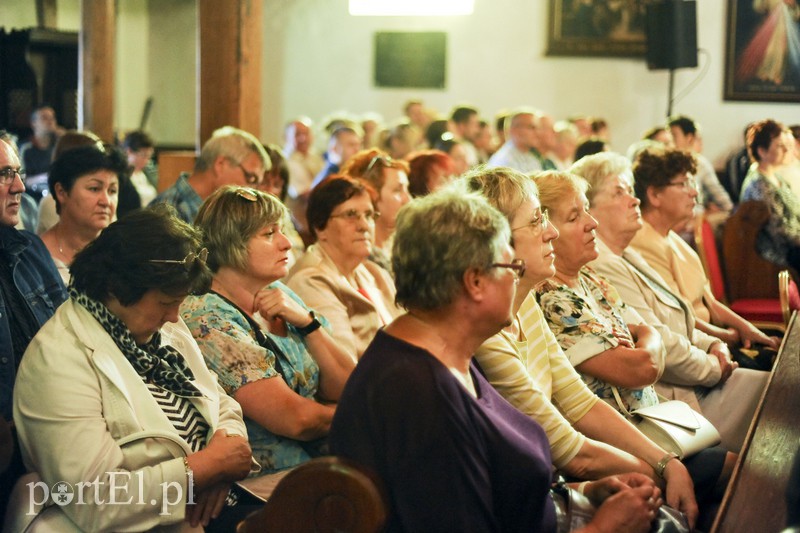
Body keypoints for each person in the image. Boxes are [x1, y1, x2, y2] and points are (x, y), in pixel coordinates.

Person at [330, 187, 663, 533]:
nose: (517, 279)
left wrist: (582, 492)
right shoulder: (417, 393)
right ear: (474, 281)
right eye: (512, 266)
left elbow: (495, 486)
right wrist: (604, 528)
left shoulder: (449, 352)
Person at [464, 166, 698, 527]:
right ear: (499, 242)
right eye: (537, 221)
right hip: (536, 490)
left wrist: (667, 463)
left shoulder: (524, 302)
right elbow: (569, 450)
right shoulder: (489, 329)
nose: (551, 232)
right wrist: (660, 471)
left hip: (556, 480)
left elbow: (579, 401)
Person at [12, 206, 254, 531]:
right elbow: (96, 501)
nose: (174, 317)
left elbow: (218, 400)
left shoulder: (156, 327)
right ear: (118, 289)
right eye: (167, 304)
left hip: (204, 506)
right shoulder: (57, 361)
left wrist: (226, 443)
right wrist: (207, 468)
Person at [534, 170, 733, 519]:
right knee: (756, 475)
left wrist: (646, 341)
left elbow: (650, 332)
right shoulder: (554, 300)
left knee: (759, 470)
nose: (591, 223)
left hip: (659, 432)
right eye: (574, 216)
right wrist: (645, 343)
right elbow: (640, 369)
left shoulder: (591, 279)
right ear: (545, 233)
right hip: (624, 445)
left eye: (587, 211)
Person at [574, 152, 769, 453]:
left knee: (781, 390)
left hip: (699, 374)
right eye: (619, 192)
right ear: (590, 210)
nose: (634, 200)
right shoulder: (603, 264)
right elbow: (659, 341)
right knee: (779, 403)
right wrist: (713, 366)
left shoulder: (627, 253)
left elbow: (682, 314)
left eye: (630, 190)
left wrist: (712, 345)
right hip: (678, 397)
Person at [181, 186, 354, 491]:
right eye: (269, 233)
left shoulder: (278, 293)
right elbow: (296, 420)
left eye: (283, 230)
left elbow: (345, 384)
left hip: (316, 466)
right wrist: (358, 413)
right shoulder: (207, 317)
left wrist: (309, 324)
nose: (287, 243)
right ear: (231, 243)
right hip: (263, 484)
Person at [629, 146, 780, 359]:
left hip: (711, 338)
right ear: (654, 195)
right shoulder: (642, 242)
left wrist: (749, 329)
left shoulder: (670, 236)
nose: (694, 192)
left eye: (692, 183)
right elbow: (676, 317)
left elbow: (709, 302)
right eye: (683, 184)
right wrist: (725, 337)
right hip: (693, 347)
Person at [0, 135, 66, 527]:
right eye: (4, 174)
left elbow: (69, 337)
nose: (20, 187)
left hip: (56, 427)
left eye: (18, 173)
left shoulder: (30, 249)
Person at [286, 177, 400, 360]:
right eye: (351, 214)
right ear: (320, 227)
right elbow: (344, 369)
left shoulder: (374, 272)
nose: (364, 225)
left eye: (369, 215)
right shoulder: (311, 281)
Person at [39, 145, 126, 283]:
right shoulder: (37, 258)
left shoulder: (123, 253)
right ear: (61, 192)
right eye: (94, 189)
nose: (106, 201)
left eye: (112, 191)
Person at [151, 126, 270, 223]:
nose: (253, 190)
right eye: (251, 178)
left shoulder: (219, 209)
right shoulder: (169, 211)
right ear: (220, 165)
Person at [740, 119, 800, 273]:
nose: (787, 150)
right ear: (762, 151)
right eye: (780, 146)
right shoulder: (759, 183)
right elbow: (779, 229)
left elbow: (795, 212)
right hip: (775, 256)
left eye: (787, 146)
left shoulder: (775, 176)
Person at [341, 149, 411, 271]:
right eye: (397, 190)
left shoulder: (404, 248)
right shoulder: (362, 261)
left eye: (407, 189)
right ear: (371, 196)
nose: (408, 199)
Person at [668, 115, 733, 220]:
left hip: (694, 217)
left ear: (689, 138)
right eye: (669, 136)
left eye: (674, 136)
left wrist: (712, 209)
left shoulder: (700, 163)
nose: (669, 141)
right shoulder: (665, 164)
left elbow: (722, 199)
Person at [19, 105, 62, 200]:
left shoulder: (59, 146)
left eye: (52, 118)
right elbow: (21, 179)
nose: (50, 121)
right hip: (32, 197)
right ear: (33, 123)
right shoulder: (24, 148)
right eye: (45, 118)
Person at [487, 109, 546, 173]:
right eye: (532, 127)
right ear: (515, 130)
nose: (538, 133)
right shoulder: (504, 162)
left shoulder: (531, 158)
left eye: (539, 128)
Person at [309, 124, 363, 190]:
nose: (357, 149)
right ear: (334, 149)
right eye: (351, 145)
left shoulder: (352, 174)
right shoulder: (328, 180)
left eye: (358, 145)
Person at [122, 129, 159, 207]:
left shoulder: (147, 173)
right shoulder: (122, 176)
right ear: (129, 151)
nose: (147, 161)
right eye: (143, 155)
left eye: (149, 156)